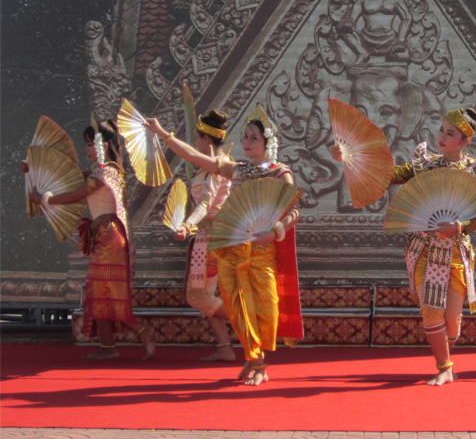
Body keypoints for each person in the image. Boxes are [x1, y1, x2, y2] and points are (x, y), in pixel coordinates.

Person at [330, 108, 476, 385]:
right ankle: (444, 367)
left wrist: (459, 227)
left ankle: (445, 359)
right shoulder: (424, 166)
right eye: (441, 130)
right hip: (425, 249)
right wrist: (350, 159)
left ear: (465, 142)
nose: (441, 136)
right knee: (431, 310)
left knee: (452, 320)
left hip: (454, 249)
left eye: (450, 134)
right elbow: (386, 175)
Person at [144, 105, 303, 385]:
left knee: (266, 306)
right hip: (233, 248)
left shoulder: (280, 173)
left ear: (268, 143)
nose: (247, 142)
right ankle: (257, 362)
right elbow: (193, 155)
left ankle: (255, 359)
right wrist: (162, 134)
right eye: (245, 137)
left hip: (263, 249)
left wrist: (275, 231)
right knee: (238, 305)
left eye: (254, 138)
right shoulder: (237, 170)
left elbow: (294, 211)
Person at [22, 121, 155, 360]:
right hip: (105, 234)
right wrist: (32, 169)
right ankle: (109, 347)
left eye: (88, 144)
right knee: (100, 293)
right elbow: (69, 178)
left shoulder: (104, 173)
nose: (86, 149)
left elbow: (75, 194)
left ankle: (142, 333)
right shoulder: (106, 170)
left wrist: (44, 200)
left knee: (104, 292)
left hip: (109, 236)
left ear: (101, 145)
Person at [175, 110, 235, 362]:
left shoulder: (214, 171)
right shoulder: (213, 168)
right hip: (209, 236)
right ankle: (225, 346)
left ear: (206, 140)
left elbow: (205, 205)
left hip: (211, 236)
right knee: (204, 293)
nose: (196, 145)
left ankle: (248, 323)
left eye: (197, 139)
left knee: (198, 295)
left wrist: (188, 224)